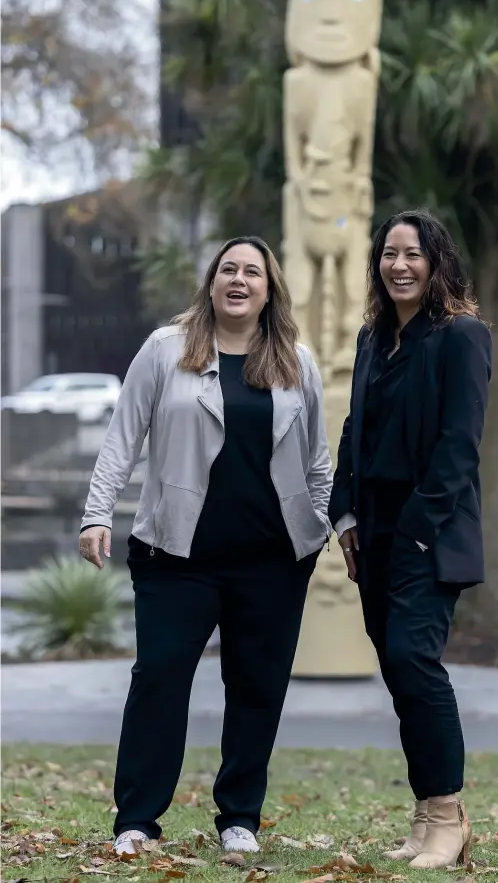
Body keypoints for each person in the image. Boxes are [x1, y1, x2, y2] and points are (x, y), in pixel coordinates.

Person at [79, 236, 332, 856]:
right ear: (211, 282)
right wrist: (96, 514)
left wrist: (320, 524)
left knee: (257, 686)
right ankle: (137, 818)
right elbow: (122, 437)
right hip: (175, 556)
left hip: (272, 560)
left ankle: (239, 817)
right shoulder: (166, 350)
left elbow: (318, 460)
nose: (239, 279)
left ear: (270, 288)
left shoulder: (297, 362)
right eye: (228, 269)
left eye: (253, 271)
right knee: (159, 679)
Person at [329, 209, 492, 870]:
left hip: (429, 534)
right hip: (373, 533)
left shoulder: (462, 337)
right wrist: (344, 517)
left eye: (413, 254)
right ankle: (427, 818)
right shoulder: (374, 340)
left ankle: (449, 816)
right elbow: (352, 433)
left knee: (415, 664)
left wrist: (418, 534)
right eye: (389, 254)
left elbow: (460, 445)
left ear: (436, 263)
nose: (399, 265)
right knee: (400, 674)